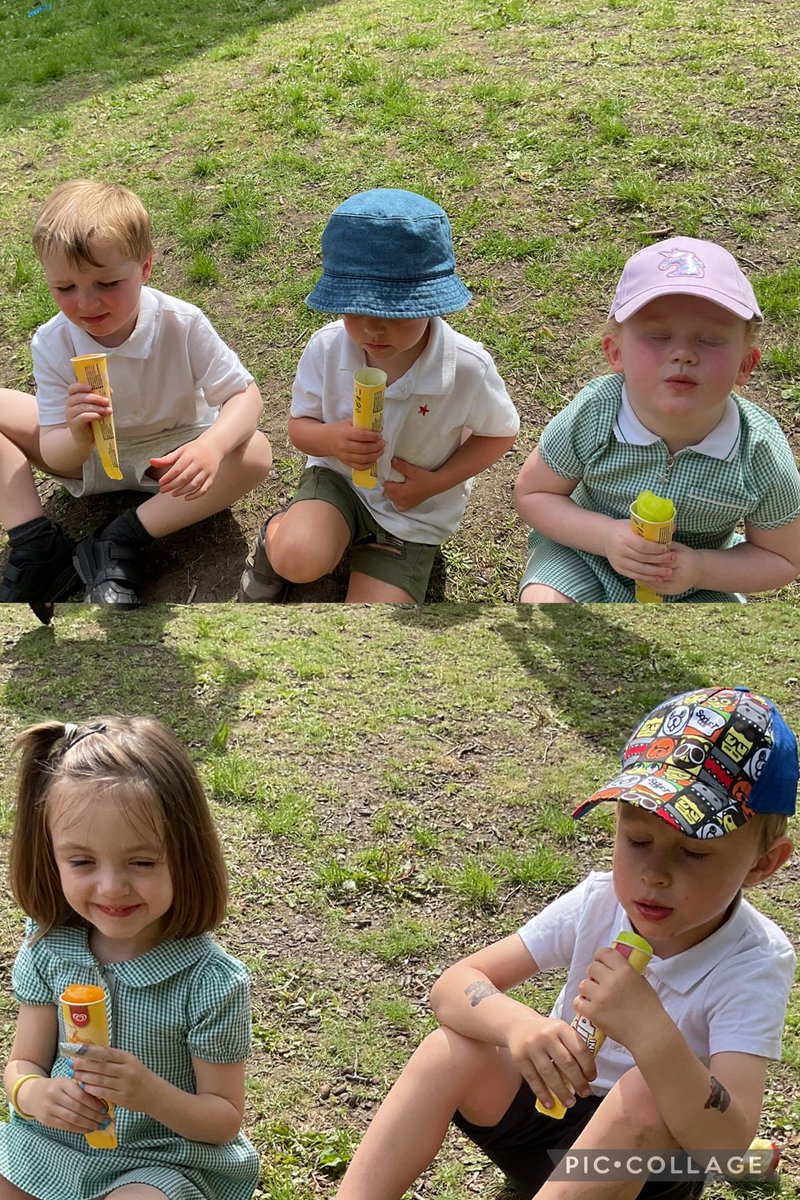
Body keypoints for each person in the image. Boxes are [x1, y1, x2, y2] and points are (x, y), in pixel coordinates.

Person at [333, 685, 796, 1200]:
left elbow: (727, 1143)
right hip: (550, 1115)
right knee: (447, 1051)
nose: (654, 874)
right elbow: (452, 987)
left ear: (763, 864)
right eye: (637, 841)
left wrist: (648, 1029)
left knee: (643, 1095)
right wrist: (519, 1025)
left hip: (641, 1169)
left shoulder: (755, 960)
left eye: (693, 852)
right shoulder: (599, 902)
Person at [0, 716, 260, 1200]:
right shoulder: (49, 947)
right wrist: (34, 1094)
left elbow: (223, 1119)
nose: (111, 887)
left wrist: (149, 1093)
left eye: (141, 862)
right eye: (82, 862)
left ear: (186, 856)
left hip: (160, 1158)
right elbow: (22, 1063)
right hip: (50, 1145)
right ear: (51, 857)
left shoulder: (210, 982)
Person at [0, 179, 272, 619]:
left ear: (145, 268)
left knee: (255, 453)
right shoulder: (53, 342)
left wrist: (212, 446)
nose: (86, 303)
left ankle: (120, 538)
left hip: (172, 457)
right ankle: (36, 544)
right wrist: (77, 435)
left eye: (107, 282)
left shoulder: (181, 323)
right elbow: (54, 451)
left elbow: (245, 396)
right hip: (90, 458)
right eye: (65, 288)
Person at [238, 188, 519, 605]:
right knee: (298, 557)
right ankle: (273, 539)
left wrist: (436, 483)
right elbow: (299, 428)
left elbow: (499, 433)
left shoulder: (466, 367)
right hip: (339, 482)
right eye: (354, 309)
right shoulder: (327, 347)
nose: (372, 329)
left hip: (413, 511)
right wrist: (332, 439)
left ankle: (381, 558)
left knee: (375, 622)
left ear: (431, 303)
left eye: (393, 311)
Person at [514, 237, 800, 602]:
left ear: (746, 364)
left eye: (710, 339)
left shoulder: (759, 452)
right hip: (584, 554)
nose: (683, 354)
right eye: (659, 336)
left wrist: (700, 568)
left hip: (697, 583)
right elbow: (534, 493)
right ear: (615, 352)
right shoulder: (596, 411)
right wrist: (606, 536)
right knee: (546, 608)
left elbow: (782, 557)